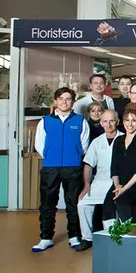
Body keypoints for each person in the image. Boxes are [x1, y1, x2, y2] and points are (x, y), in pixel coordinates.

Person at [32, 87, 90, 252]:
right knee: (47, 204)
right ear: (56, 101)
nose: (64, 101)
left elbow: (83, 145)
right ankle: (45, 237)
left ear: (72, 102)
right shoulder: (45, 121)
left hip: (73, 167)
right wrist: (52, 156)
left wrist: (73, 156)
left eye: (68, 99)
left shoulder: (80, 121)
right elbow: (39, 145)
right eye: (61, 98)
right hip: (50, 167)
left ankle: (74, 236)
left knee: (73, 203)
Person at [76, 109, 121, 252]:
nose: (109, 124)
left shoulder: (124, 138)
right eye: (105, 121)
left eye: (112, 121)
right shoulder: (97, 142)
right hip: (99, 182)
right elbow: (89, 164)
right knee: (82, 203)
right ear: (101, 123)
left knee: (114, 207)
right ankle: (87, 238)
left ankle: (111, 238)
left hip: (117, 183)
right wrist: (86, 185)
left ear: (118, 122)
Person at [104, 103, 136, 223]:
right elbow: (114, 167)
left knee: (122, 202)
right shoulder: (118, 141)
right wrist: (117, 185)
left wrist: (124, 189)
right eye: (127, 120)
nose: (130, 124)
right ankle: (111, 236)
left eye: (133, 120)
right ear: (122, 121)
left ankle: (128, 235)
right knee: (108, 204)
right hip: (120, 182)